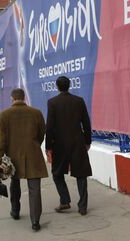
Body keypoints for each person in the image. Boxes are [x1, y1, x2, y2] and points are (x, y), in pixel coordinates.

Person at [0, 88, 48, 232]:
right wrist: (35, 144)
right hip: (33, 154)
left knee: (15, 182)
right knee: (34, 188)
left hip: (13, 155)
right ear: (24, 98)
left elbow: (2, 140)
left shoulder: (5, 114)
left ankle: (15, 211)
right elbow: (42, 132)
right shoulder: (36, 112)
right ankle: (35, 221)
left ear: (12, 99)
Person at [45, 76, 92, 216]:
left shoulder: (52, 102)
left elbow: (50, 127)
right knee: (81, 175)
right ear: (69, 86)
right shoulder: (79, 101)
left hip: (59, 144)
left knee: (57, 173)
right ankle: (83, 206)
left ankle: (65, 200)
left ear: (57, 87)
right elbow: (86, 123)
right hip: (78, 142)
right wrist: (87, 141)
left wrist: (48, 146)